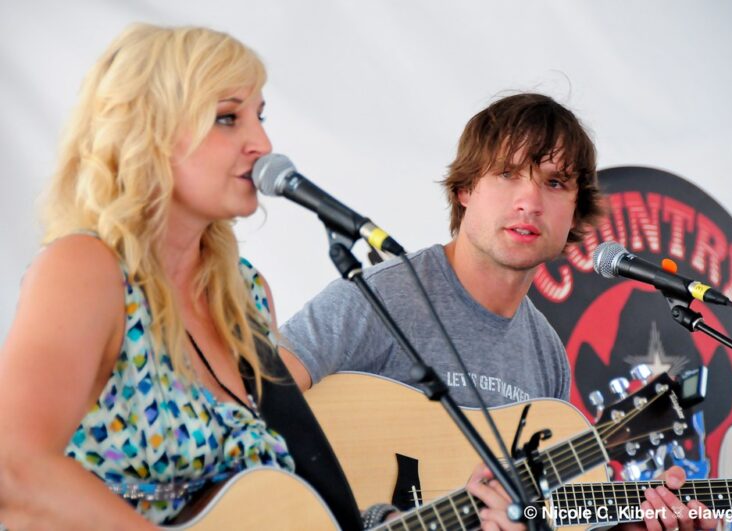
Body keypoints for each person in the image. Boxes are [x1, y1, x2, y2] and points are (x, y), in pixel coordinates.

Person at [0, 24, 523, 531]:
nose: (262, 142)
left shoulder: (244, 298)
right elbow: (15, 471)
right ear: (149, 132)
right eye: (228, 118)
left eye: (260, 116)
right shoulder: (88, 270)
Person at [278, 93, 718, 530]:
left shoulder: (546, 353)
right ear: (465, 189)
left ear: (574, 213)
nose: (529, 201)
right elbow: (246, 409)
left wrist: (630, 528)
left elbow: (541, 512)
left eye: (555, 182)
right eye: (508, 174)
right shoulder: (379, 297)